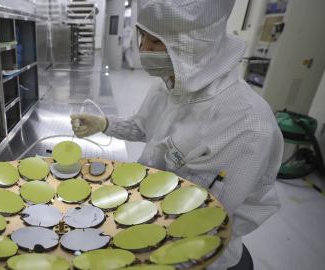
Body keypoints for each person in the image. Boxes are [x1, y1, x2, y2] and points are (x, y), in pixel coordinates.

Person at [70, 0, 283, 269]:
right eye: (143, 36)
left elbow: (212, 220)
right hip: (145, 221)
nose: (144, 50)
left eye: (157, 42)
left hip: (201, 254)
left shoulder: (247, 123)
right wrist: (103, 124)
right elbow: (143, 127)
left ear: (195, 44)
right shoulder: (171, 85)